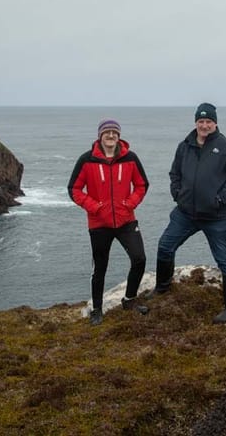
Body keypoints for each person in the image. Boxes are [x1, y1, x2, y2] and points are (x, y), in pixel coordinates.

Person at [148, 103, 226, 324]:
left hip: (217, 217)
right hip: (186, 213)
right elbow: (175, 173)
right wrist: (177, 193)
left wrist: (220, 200)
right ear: (196, 123)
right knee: (165, 246)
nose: (204, 125)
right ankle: (163, 288)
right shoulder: (185, 146)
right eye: (201, 121)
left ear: (215, 123)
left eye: (208, 122)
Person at [68, 118, 150, 326]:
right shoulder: (87, 160)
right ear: (100, 136)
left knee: (139, 259)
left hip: (126, 221)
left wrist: (129, 204)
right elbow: (74, 189)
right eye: (107, 133)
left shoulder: (130, 158)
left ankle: (129, 300)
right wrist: (94, 207)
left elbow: (142, 185)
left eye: (114, 132)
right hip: (99, 224)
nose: (111, 136)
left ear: (119, 136)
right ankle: (97, 309)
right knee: (100, 268)